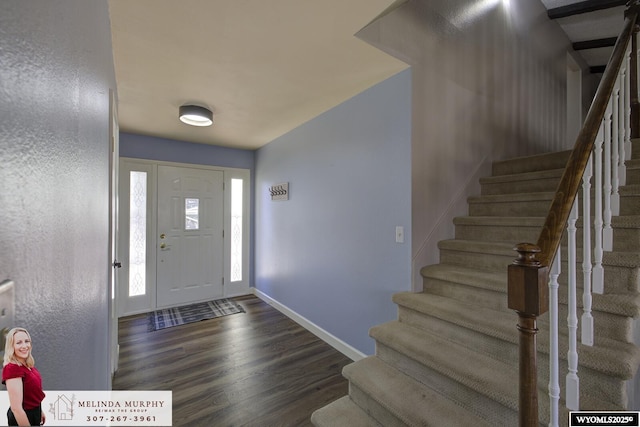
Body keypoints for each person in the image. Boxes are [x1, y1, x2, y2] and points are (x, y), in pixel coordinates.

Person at [2, 328, 45, 426]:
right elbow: (16, 409)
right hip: (22, 417)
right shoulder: (12, 368)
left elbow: (31, 394)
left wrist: (39, 411)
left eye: (27, 341)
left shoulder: (26, 365)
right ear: (11, 346)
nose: (24, 346)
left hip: (34, 413)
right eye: (19, 343)